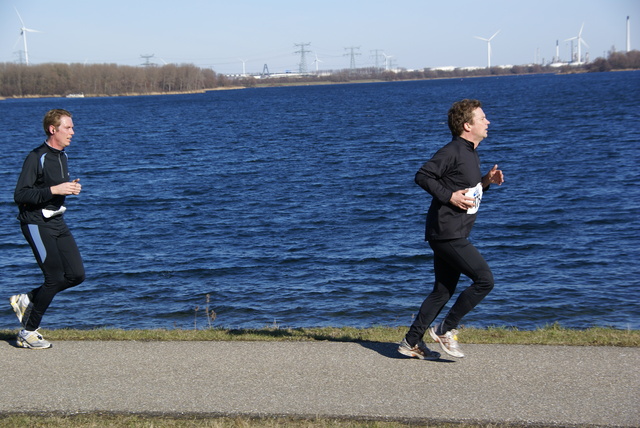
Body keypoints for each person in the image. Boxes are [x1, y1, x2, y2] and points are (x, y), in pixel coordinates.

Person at [398, 99, 504, 360]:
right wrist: (449, 197)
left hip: (451, 231)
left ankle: (410, 342)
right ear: (468, 125)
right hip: (447, 232)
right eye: (482, 118)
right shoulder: (454, 150)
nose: (487, 121)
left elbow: (467, 190)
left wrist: (486, 182)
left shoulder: (471, 152)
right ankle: (446, 329)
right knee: (484, 280)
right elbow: (423, 175)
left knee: (442, 291)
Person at [9, 109, 85, 349]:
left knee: (76, 275)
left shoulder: (62, 156)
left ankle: (28, 298)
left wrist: (68, 188)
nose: (73, 132)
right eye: (68, 128)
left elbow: (53, 186)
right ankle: (28, 332)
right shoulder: (36, 157)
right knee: (53, 277)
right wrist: (55, 190)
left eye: (72, 127)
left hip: (57, 221)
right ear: (53, 130)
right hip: (35, 222)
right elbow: (20, 194)